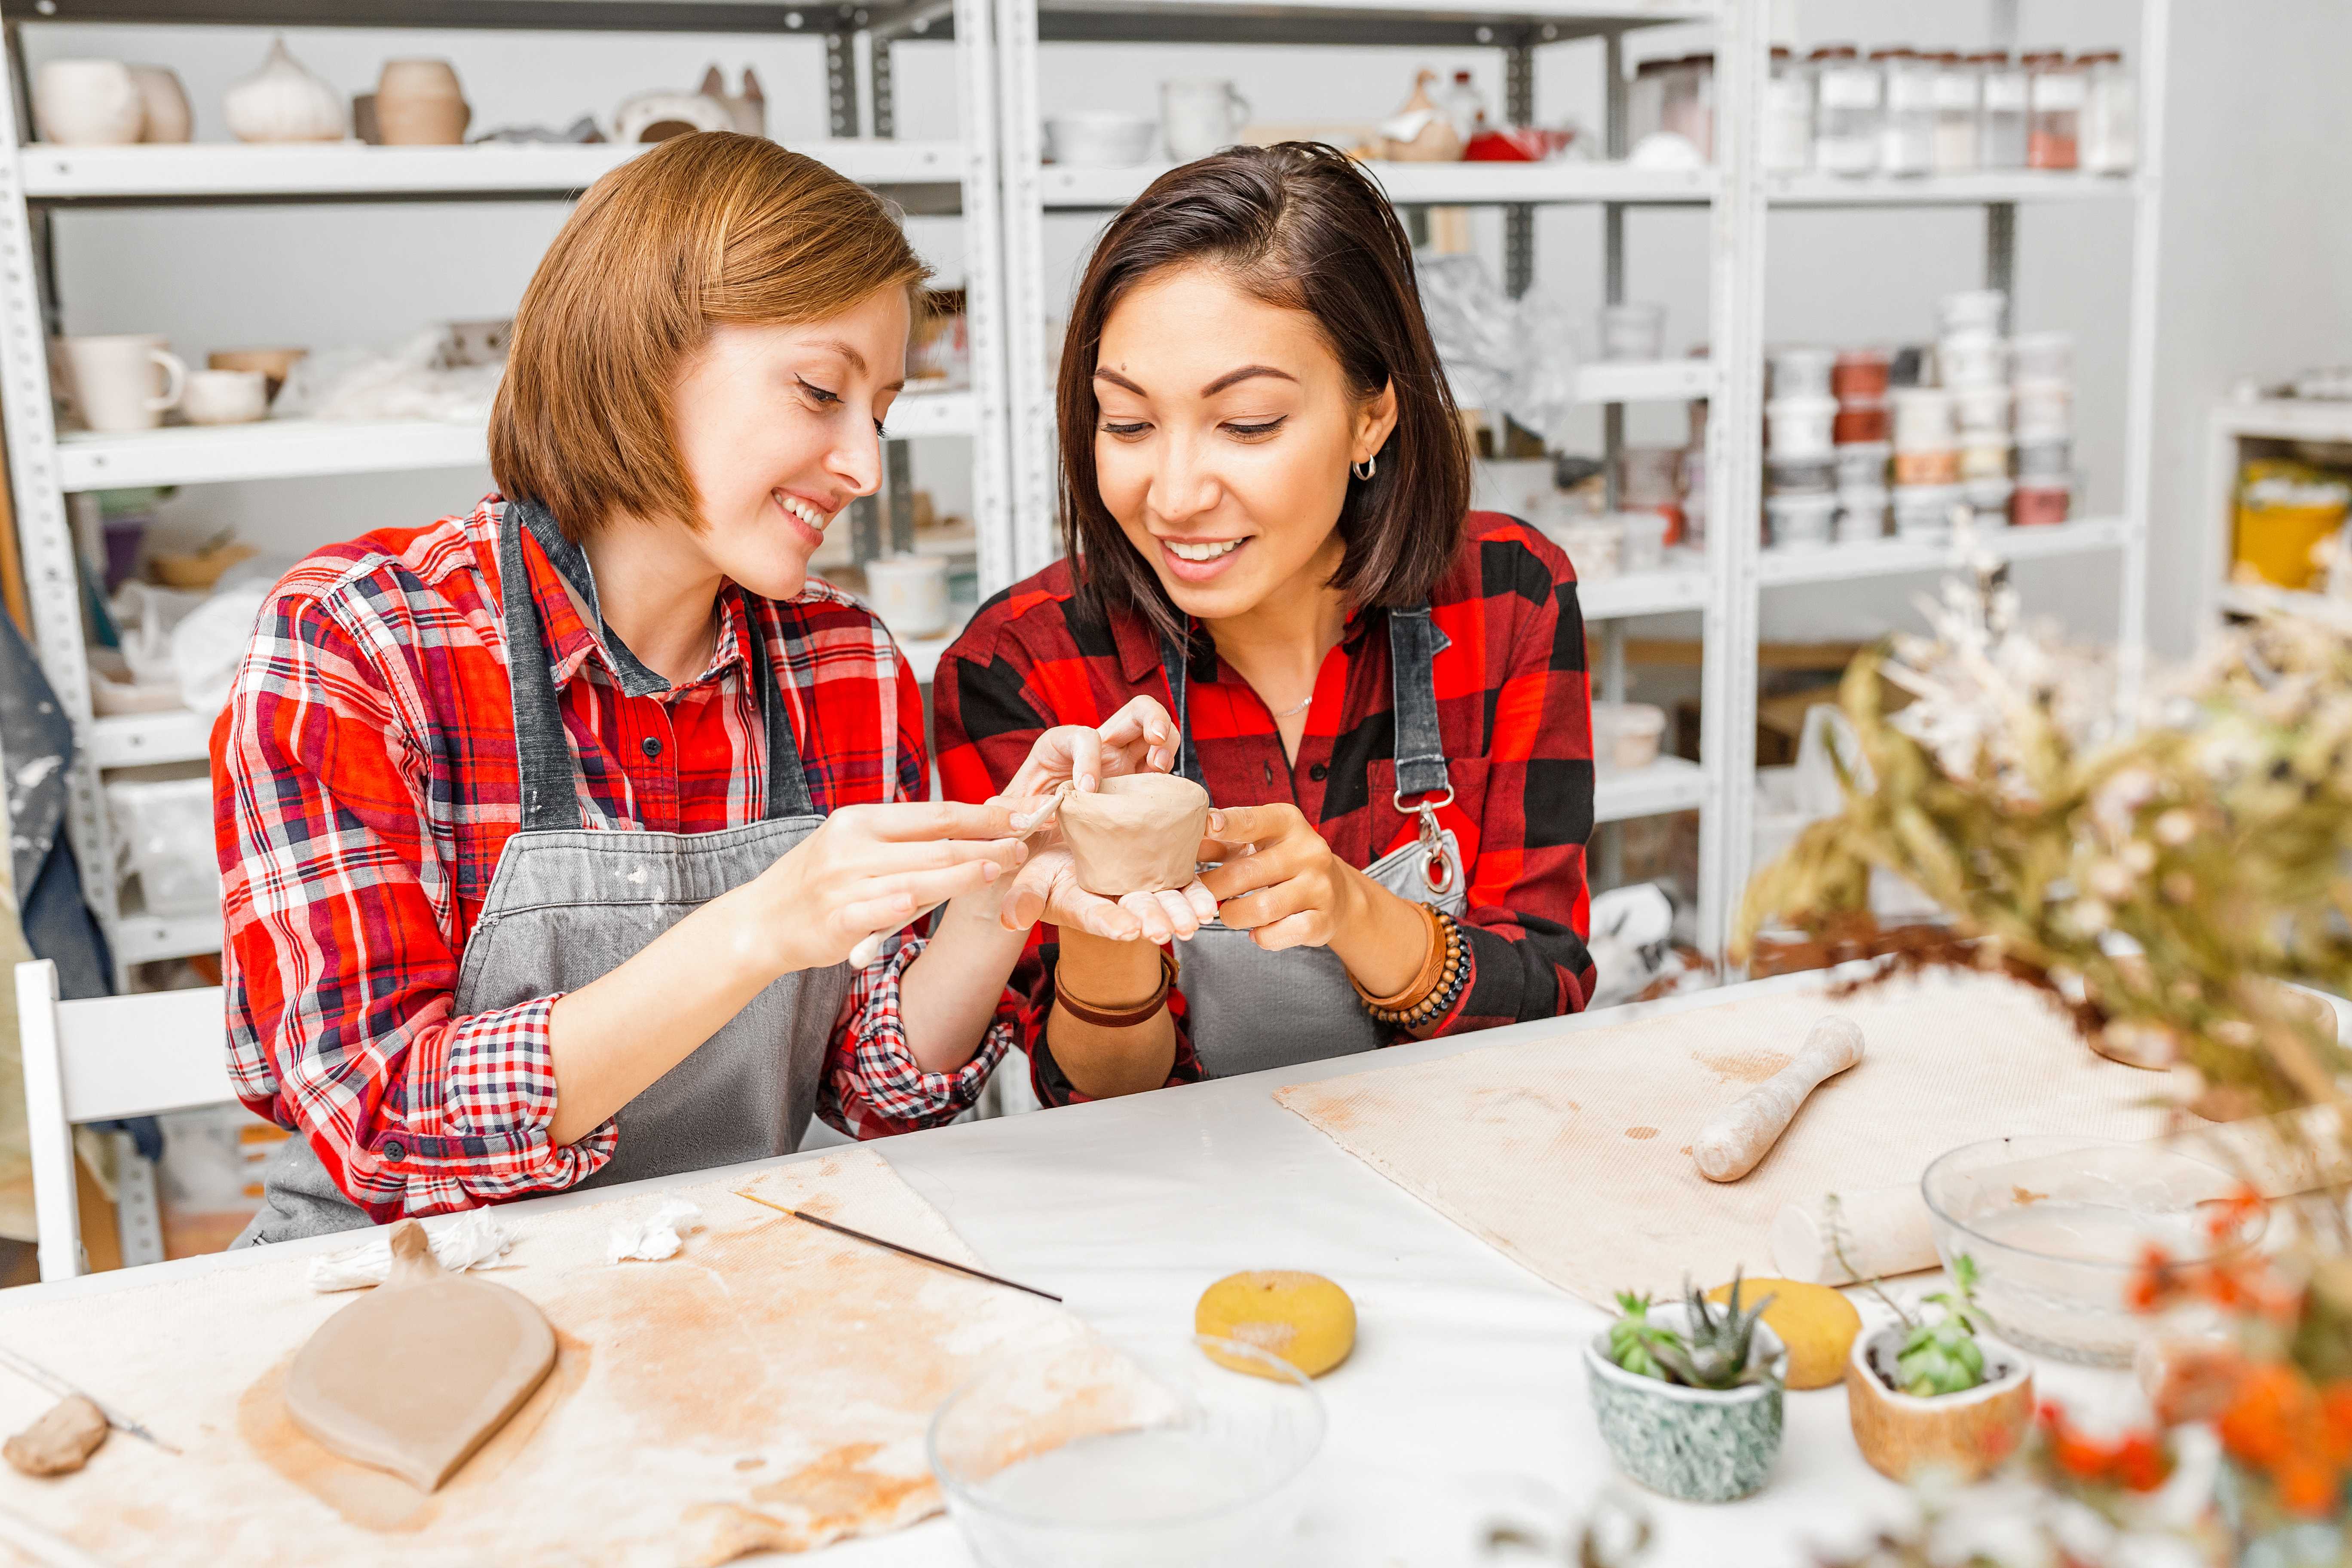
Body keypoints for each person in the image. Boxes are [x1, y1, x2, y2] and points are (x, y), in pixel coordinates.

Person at [214, 134, 1122, 1240]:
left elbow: (869, 1094)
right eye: (820, 390)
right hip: (412, 1298)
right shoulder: (363, 644)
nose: (866, 468)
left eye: (878, 412)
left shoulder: (844, 662)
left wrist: (995, 895)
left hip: (708, 1272)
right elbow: (381, 1124)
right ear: (640, 354)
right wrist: (759, 928)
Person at [932, 143, 1599, 1104]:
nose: (1175, 494)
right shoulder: (1024, 664)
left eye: (1245, 424)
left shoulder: (1508, 596)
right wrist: (1106, 921)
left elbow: (1550, 999)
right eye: (1125, 424)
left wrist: (1351, 909)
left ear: (1373, 417)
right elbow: (1089, 1102)